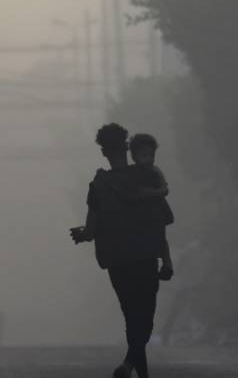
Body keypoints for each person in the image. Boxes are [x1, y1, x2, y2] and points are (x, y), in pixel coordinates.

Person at [71, 123, 167, 378]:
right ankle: (127, 365)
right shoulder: (146, 176)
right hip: (146, 256)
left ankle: (134, 370)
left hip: (117, 261)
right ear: (127, 147)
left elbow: (90, 232)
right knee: (144, 318)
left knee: (131, 316)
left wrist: (80, 235)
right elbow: (159, 221)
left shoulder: (98, 186)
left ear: (103, 152)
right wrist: (166, 260)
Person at [129, 133, 175, 281]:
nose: (148, 159)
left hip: (157, 211)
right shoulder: (131, 173)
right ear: (134, 156)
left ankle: (167, 264)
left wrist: (150, 193)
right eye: (144, 155)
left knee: (161, 238)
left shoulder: (156, 171)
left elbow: (165, 190)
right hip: (141, 215)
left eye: (151, 155)